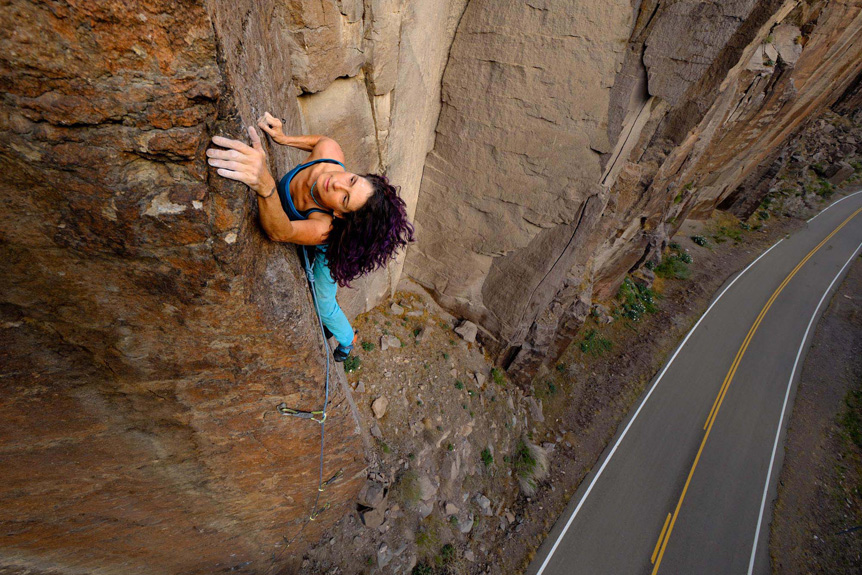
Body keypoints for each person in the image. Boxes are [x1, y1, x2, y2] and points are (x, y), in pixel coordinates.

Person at [206, 112, 414, 361]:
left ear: (339, 213)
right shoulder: (330, 153)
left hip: (332, 246)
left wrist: (264, 184)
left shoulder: (325, 226)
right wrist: (284, 139)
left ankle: (348, 340)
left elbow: (280, 232)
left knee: (324, 302)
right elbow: (320, 141)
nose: (336, 184)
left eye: (345, 198)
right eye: (351, 180)